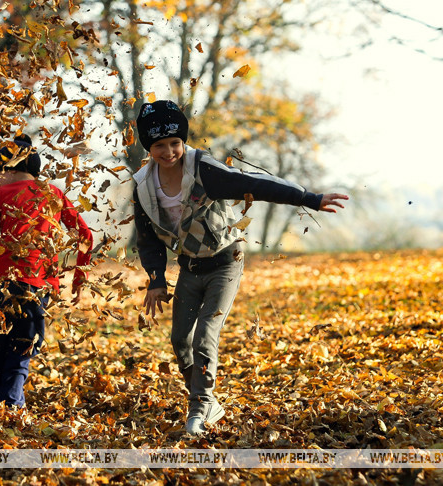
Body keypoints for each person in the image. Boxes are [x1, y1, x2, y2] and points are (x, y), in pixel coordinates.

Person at [131, 100, 348, 435]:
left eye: (175, 143)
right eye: (159, 145)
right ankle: (205, 399)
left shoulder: (202, 168)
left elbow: (254, 185)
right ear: (149, 147)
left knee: (206, 334)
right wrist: (156, 278)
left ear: (183, 141)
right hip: (189, 266)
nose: (169, 151)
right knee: (179, 340)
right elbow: (147, 239)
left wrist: (309, 198)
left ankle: (200, 407)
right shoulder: (143, 185)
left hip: (225, 260)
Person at [0, 134, 93, 408]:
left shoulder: (1, 194)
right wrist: (79, 277)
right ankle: (12, 403)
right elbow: (84, 235)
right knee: (25, 343)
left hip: (4, 282)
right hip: (39, 284)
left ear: (11, 169)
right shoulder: (54, 193)